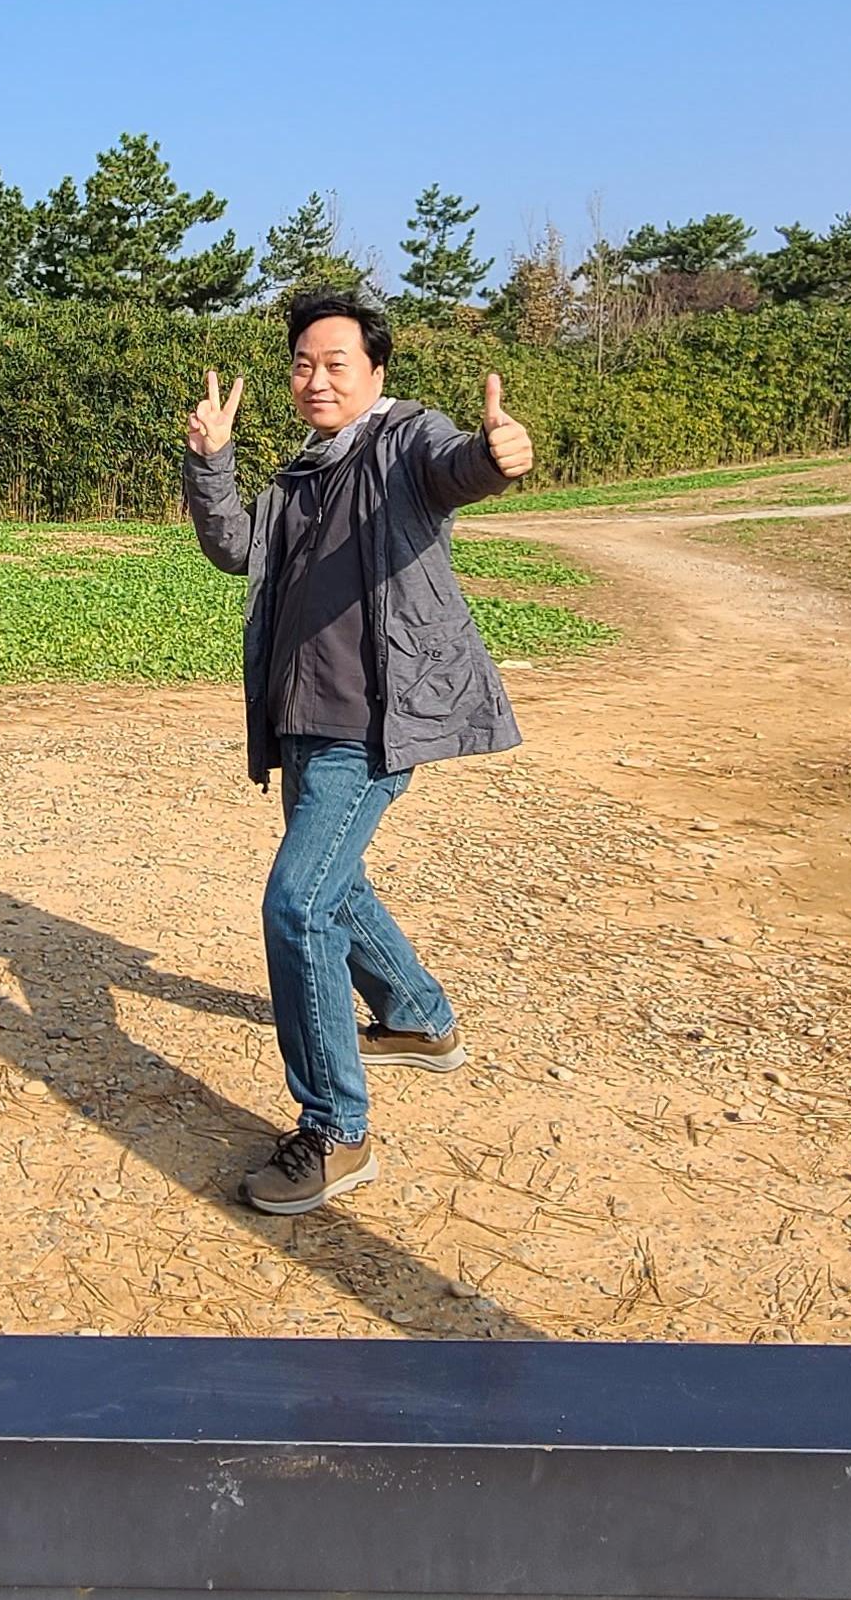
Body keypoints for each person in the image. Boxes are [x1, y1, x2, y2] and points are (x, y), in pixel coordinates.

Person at [183, 287, 538, 1214]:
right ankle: (419, 1018)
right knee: (335, 885)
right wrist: (212, 463)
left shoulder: (406, 442)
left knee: (297, 903)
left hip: (373, 725)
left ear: (376, 372)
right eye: (303, 364)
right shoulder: (303, 474)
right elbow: (236, 550)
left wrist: (495, 457)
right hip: (303, 719)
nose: (317, 379)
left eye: (336, 363)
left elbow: (454, 469)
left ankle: (337, 1130)